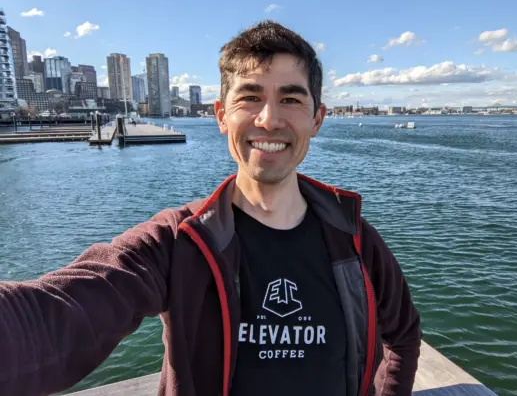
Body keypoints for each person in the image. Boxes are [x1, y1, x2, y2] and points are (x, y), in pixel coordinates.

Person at [0, 20, 422, 396]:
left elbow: (402, 334)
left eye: (292, 100)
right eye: (250, 98)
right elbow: (61, 312)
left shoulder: (353, 237)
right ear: (221, 115)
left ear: (317, 119)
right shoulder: (178, 241)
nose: (270, 119)